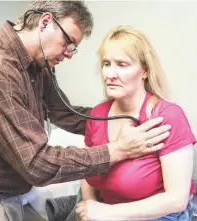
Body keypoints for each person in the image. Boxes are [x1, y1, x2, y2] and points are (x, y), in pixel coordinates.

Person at [0, 2, 171, 221]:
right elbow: (37, 163)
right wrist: (118, 149)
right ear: (45, 22)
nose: (69, 54)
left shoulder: (35, 64)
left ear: (145, 70)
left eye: (73, 48)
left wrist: (117, 119)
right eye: (68, 43)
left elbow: (62, 112)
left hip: (6, 196)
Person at [75, 25, 196, 221]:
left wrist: (105, 212)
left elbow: (177, 199)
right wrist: (88, 209)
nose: (110, 74)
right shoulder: (97, 115)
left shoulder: (167, 116)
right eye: (106, 64)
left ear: (145, 71)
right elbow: (89, 168)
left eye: (122, 64)